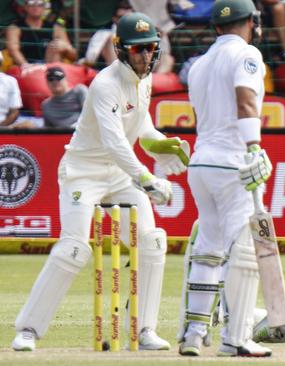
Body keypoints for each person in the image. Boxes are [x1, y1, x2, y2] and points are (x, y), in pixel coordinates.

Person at [11, 13, 190, 352]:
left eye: (151, 48)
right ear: (121, 50)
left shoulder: (145, 80)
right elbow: (115, 143)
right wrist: (148, 179)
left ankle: (144, 329)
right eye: (138, 50)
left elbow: (141, 128)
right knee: (75, 249)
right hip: (83, 173)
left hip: (120, 176)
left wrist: (164, 144)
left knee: (152, 242)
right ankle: (29, 329)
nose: (145, 56)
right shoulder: (105, 84)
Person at [177, 0, 273, 358]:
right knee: (243, 251)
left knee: (208, 249)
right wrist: (253, 148)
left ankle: (195, 332)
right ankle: (236, 338)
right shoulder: (247, 54)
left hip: (201, 164)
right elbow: (245, 101)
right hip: (233, 163)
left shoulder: (199, 64)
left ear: (217, 26)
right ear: (250, 22)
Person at [6, 0, 77, 67]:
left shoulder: (56, 28)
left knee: (56, 45)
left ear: (44, 7)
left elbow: (74, 56)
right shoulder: (15, 28)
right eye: (32, 3)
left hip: (49, 68)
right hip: (26, 68)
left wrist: (66, 47)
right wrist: (25, 66)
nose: (35, 7)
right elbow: (13, 50)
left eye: (40, 4)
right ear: (26, 7)